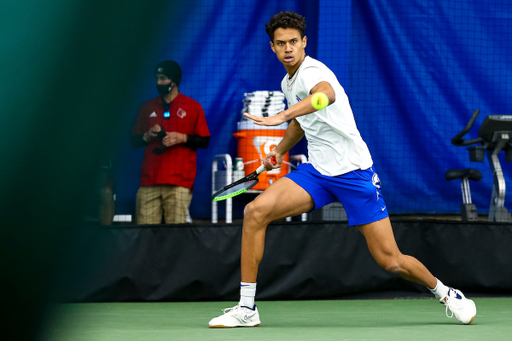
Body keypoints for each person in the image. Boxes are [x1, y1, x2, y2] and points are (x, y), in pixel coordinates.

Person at [209, 11, 476, 328]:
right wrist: (279, 151)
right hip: (318, 171)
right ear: (273, 47)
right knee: (255, 212)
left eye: (294, 41)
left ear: (304, 42)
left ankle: (446, 293)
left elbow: (324, 97)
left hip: (354, 174)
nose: (288, 48)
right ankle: (247, 308)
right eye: (281, 43)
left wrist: (280, 116)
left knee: (390, 260)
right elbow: (302, 121)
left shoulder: (313, 72)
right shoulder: (287, 82)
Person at [131, 60, 210, 224]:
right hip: (149, 181)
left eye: (163, 78)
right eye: (157, 78)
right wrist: (147, 135)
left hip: (179, 182)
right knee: (144, 235)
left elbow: (204, 141)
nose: (158, 82)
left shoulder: (193, 107)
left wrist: (182, 137)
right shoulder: (146, 108)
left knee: (175, 236)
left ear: (174, 81)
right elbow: (133, 141)